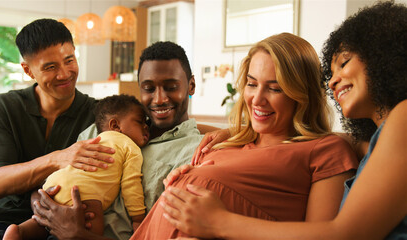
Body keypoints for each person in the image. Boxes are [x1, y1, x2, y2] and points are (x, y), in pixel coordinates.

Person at [159, 2, 407, 239]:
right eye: (252, 83)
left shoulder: (403, 118)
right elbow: (356, 143)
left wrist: (219, 222)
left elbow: (344, 234)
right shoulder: (381, 140)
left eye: (344, 63)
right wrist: (232, 136)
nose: (331, 82)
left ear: (383, 55)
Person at [127, 32, 360, 239]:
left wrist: (219, 224)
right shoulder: (225, 142)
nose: (257, 100)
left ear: (302, 93)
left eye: (275, 88)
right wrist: (181, 182)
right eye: (251, 84)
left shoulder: (326, 151)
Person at [30, 41, 206, 240]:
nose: (159, 99)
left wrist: (78, 235)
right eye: (148, 89)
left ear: (191, 85)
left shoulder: (196, 152)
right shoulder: (102, 130)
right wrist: (40, 201)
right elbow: (61, 176)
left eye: (171, 87)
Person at [0, 19, 114, 237]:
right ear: (28, 70)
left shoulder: (99, 114)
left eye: (69, 60)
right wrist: (59, 158)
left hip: (60, 225)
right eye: (50, 67)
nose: (64, 74)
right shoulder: (4, 106)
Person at [3, 94, 149, 239]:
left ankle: (18, 232)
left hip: (55, 183)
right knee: (91, 231)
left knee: (43, 224)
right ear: (115, 125)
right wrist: (137, 217)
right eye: (140, 122)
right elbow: (131, 183)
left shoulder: (91, 140)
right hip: (83, 192)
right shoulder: (129, 146)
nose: (146, 127)